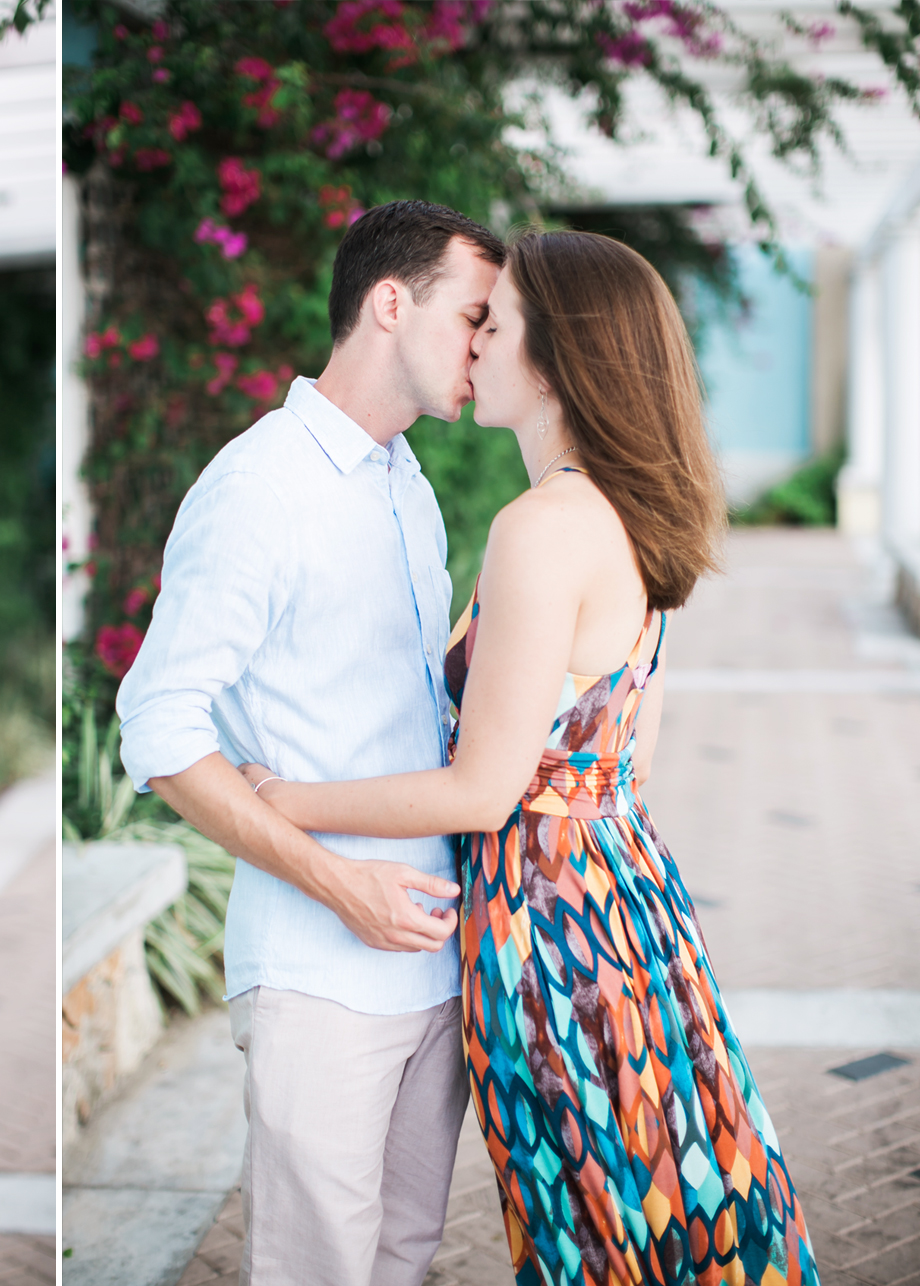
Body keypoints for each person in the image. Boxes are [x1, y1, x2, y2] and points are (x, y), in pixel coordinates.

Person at [240, 230, 819, 1284]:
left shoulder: (542, 526)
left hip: (550, 931)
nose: (472, 348)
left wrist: (281, 795)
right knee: (648, 1206)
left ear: (554, 358)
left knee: (587, 1226)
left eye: (491, 326)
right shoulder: (626, 512)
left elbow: (482, 787)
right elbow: (622, 760)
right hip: (624, 902)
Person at [116, 199, 505, 1285]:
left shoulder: (405, 480)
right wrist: (339, 883)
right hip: (318, 969)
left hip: (433, 955)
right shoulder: (258, 486)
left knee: (402, 1256)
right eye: (470, 315)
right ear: (390, 302)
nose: (482, 344)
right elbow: (154, 720)